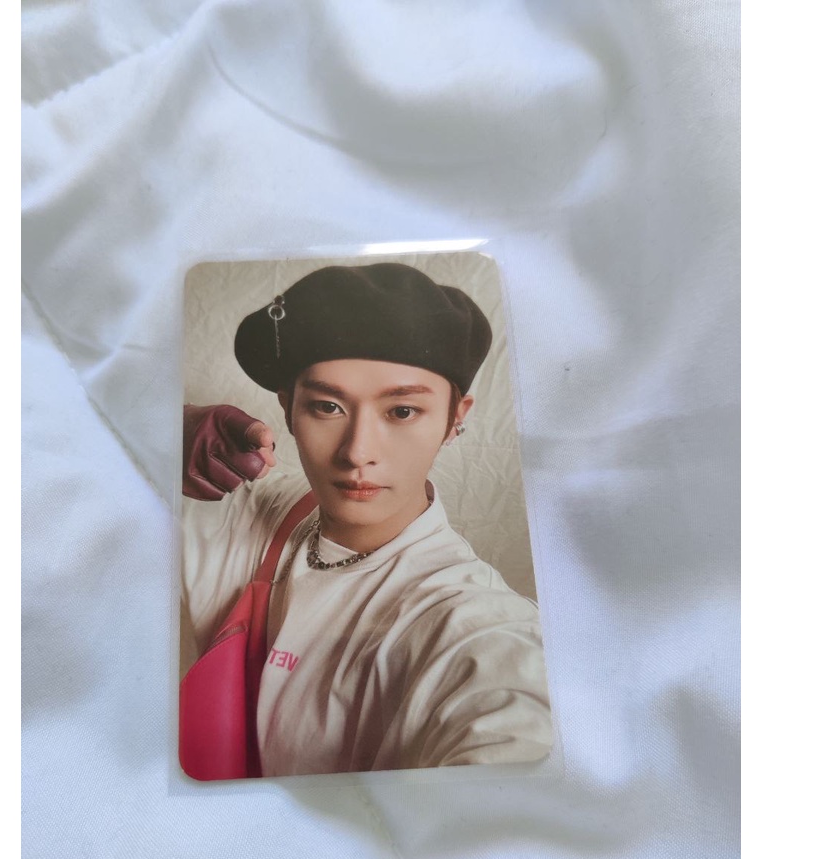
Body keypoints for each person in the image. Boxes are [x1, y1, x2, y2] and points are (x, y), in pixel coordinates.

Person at [181, 262, 552, 777]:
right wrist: (166, 430)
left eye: (402, 412)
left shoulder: (471, 622)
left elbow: (512, 733)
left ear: (455, 419)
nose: (358, 452)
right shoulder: (241, 503)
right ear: (287, 409)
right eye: (327, 407)